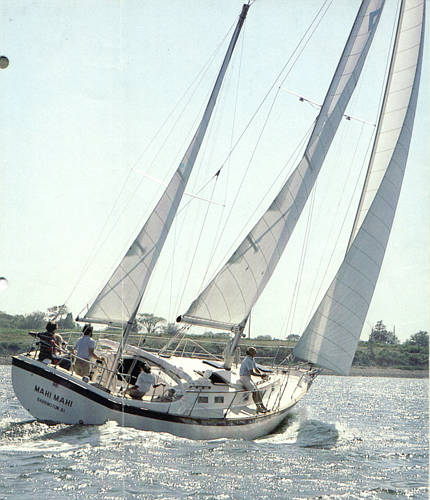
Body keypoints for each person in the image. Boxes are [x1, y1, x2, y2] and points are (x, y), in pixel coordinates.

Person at [239, 347, 268, 413]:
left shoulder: (252, 359)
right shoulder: (248, 360)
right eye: (254, 351)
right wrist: (261, 376)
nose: (255, 352)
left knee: (258, 391)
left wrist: (261, 375)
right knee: (254, 391)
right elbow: (252, 373)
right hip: (244, 377)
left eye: (255, 351)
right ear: (250, 352)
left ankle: (262, 406)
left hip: (248, 377)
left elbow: (256, 369)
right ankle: (258, 407)